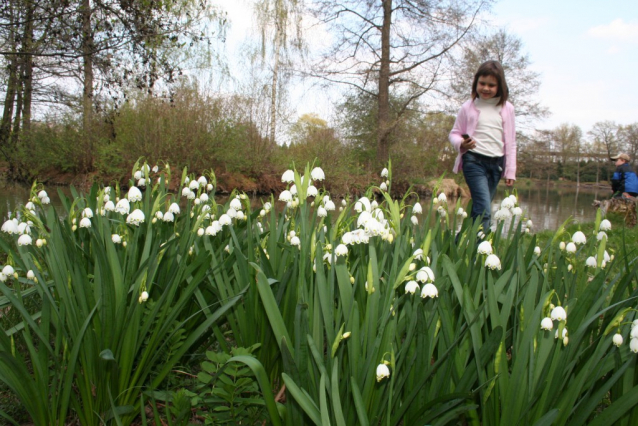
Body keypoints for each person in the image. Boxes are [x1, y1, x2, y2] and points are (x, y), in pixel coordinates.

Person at [449, 60, 516, 233]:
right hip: (474, 161)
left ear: (499, 86)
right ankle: (479, 253)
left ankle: (461, 249)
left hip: (496, 164)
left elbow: (511, 142)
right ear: (476, 82)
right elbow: (454, 133)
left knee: (479, 210)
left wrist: (510, 170)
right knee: (485, 211)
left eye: (491, 85)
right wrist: (462, 143)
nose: (486, 88)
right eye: (482, 83)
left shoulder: (507, 108)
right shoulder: (468, 107)